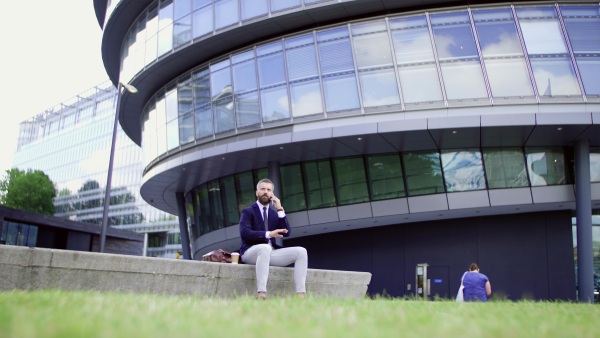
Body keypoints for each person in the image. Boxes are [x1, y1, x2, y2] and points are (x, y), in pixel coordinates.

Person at [239, 178, 308, 299]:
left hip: (270, 253)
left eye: (268, 190)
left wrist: (280, 209)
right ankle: (261, 294)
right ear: (257, 192)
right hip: (250, 252)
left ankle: (300, 296)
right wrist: (269, 234)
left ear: (272, 194)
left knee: (301, 251)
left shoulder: (274, 213)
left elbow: (287, 232)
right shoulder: (248, 211)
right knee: (265, 248)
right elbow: (245, 233)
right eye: (262, 189)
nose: (265, 192)